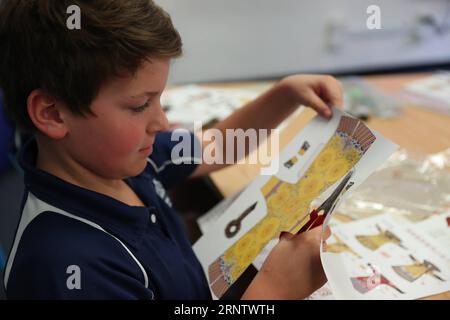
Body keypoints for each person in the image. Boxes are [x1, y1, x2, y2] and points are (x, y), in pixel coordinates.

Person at [0, 0, 340, 299]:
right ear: (53, 113)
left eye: (160, 98)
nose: (162, 122)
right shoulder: (69, 268)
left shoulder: (121, 160)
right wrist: (276, 289)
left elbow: (217, 147)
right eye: (140, 105)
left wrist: (284, 96)